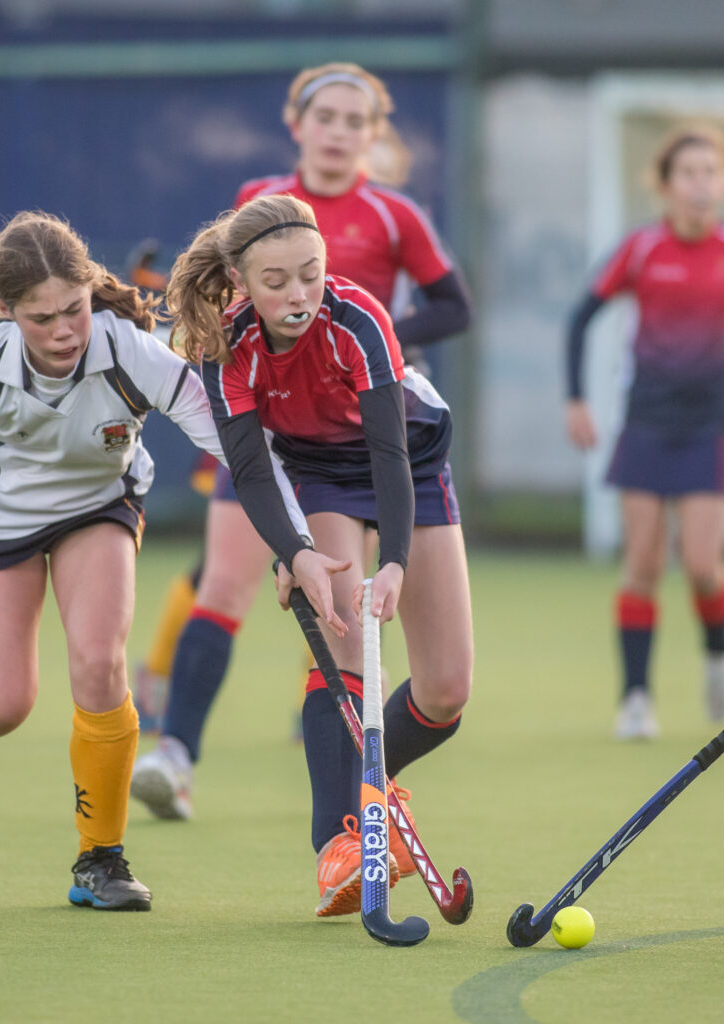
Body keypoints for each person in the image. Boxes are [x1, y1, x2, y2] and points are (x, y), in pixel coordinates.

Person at [0, 210, 313, 910]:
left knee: (100, 662)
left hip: (99, 509)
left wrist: (297, 544)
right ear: (6, 312)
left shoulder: (134, 353)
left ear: (91, 289)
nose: (65, 331)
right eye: (41, 319)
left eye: (75, 308)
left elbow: (240, 454)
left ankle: (102, 857)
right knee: (2, 705)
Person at [131, 60, 471, 820]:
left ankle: (344, 769)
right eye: (328, 117)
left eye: (357, 121)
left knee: (350, 620)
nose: (340, 132)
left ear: (373, 136)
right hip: (278, 431)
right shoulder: (257, 203)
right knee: (226, 581)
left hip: (373, 412)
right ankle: (176, 753)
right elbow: (219, 306)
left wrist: (374, 342)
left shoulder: (394, 216)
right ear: (297, 125)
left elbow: (454, 307)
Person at [164, 193, 473, 917]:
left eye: (310, 273)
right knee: (340, 648)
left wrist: (392, 560)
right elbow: (247, 467)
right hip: (320, 474)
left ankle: (371, 784)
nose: (299, 294)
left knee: (447, 690)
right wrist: (296, 552)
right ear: (241, 283)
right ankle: (341, 839)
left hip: (411, 465)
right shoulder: (226, 344)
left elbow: (391, 451)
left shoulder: (359, 319)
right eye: (276, 282)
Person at [564, 124, 724, 740]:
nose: (700, 185)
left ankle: (719, 652)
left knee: (704, 565)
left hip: (711, 420)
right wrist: (576, 399)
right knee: (641, 563)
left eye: (710, 172)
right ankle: (635, 699)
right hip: (647, 419)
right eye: (687, 174)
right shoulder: (639, 250)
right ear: (664, 185)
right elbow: (580, 318)